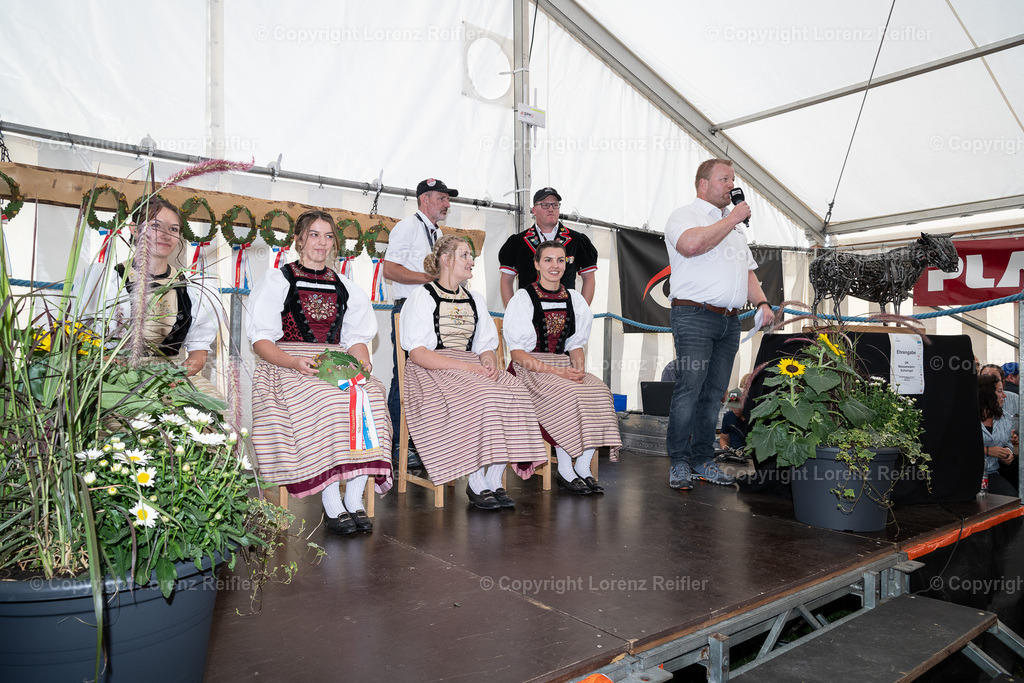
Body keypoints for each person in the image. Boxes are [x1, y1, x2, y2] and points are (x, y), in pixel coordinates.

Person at [247, 209, 392, 535]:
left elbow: (356, 339)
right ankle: (331, 501)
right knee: (330, 401)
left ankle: (353, 497)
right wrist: (293, 362)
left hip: (335, 361)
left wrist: (363, 363)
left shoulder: (345, 286)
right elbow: (260, 341)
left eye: (328, 236)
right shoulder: (278, 280)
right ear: (299, 240)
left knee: (372, 393)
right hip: (287, 363)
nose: (322, 242)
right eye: (314, 234)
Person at [400, 235, 547, 509]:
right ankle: (476, 481)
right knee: (484, 395)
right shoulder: (422, 296)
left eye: (471, 256)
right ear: (446, 259)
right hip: (432, 369)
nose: (471, 261)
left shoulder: (474, 299)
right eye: (465, 255)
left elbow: (484, 345)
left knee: (516, 391)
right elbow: (418, 353)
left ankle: (494, 478)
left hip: (470, 367)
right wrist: (471, 368)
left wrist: (488, 363)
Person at [664, 158, 775, 491]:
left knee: (714, 395)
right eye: (724, 179)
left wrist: (762, 303)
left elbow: (747, 271)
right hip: (694, 316)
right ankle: (679, 461)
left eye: (733, 179)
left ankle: (702, 460)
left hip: (729, 321)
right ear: (703, 184)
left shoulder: (735, 228)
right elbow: (691, 245)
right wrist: (732, 218)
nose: (731, 185)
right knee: (689, 389)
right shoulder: (685, 215)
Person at [503, 240, 621, 494]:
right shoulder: (523, 298)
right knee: (569, 394)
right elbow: (518, 354)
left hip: (563, 366)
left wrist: (578, 371)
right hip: (530, 369)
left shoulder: (574, 299)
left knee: (599, 392)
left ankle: (583, 467)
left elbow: (575, 345)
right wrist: (560, 374)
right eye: (548, 260)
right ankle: (566, 470)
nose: (554, 265)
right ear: (537, 264)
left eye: (560, 260)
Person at [76, 198, 218, 381]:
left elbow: (199, 353)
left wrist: (173, 378)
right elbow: (81, 341)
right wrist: (119, 370)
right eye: (156, 226)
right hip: (111, 377)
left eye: (173, 229)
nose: (166, 235)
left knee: (211, 400)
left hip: (169, 378)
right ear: (134, 230)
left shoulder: (194, 288)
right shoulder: (103, 280)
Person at [381, 178, 458, 470]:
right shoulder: (406, 227)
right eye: (442, 198)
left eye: (448, 199)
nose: (447, 204)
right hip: (409, 310)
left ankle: (423, 443)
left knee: (430, 377)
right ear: (424, 199)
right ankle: (396, 445)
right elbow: (390, 270)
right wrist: (429, 280)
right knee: (404, 377)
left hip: (434, 311)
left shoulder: (439, 233)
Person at [498, 187, 598, 306]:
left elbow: (589, 278)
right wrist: (513, 311)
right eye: (545, 205)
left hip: (565, 310)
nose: (551, 209)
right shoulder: (517, 242)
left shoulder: (577, 240)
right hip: (529, 310)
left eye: (555, 205)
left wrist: (581, 311)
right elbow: (506, 279)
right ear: (534, 210)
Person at [978, 374, 1018, 496]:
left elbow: (1007, 442)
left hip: (990, 473)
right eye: (1000, 391)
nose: (1004, 395)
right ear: (988, 394)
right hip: (967, 474)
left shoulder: (1003, 417)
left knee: (1012, 499)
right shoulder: (966, 417)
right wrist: (987, 450)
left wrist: (1007, 452)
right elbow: (958, 447)